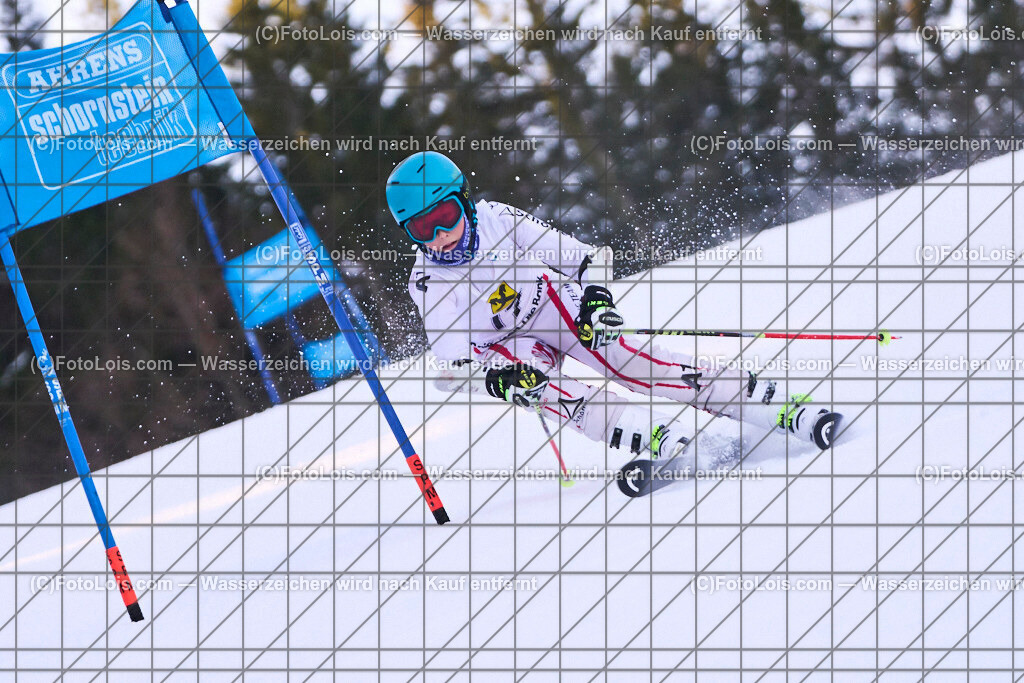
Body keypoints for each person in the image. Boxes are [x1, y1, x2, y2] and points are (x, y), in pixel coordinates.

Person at [386, 151, 841, 465]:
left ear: (463, 200)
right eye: (421, 229)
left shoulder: (498, 220)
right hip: (508, 348)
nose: (439, 236)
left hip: (552, 308)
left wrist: (597, 300)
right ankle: (654, 433)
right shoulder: (428, 282)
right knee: (541, 386)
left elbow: (587, 258)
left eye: (444, 216)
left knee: (627, 361)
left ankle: (764, 403)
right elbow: (451, 364)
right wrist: (496, 380)